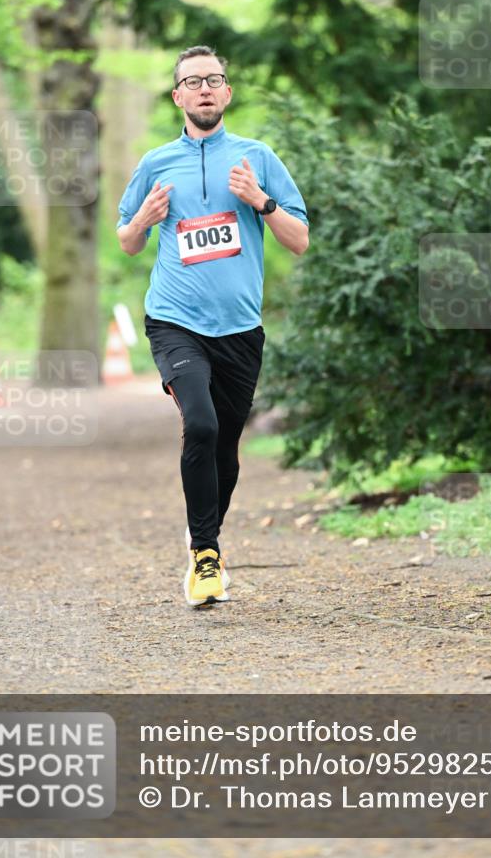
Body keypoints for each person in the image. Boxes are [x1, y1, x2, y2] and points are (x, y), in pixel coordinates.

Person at [116, 45, 309, 608]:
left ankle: (203, 533)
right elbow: (127, 243)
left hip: (241, 329)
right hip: (175, 320)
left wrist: (262, 201)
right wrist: (144, 222)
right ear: (177, 96)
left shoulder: (257, 157)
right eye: (192, 81)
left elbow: (299, 241)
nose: (204, 88)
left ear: (226, 93)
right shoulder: (155, 162)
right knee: (198, 423)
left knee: (225, 447)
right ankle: (206, 554)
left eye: (214, 80)